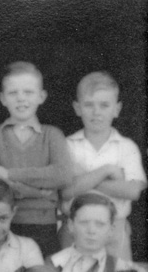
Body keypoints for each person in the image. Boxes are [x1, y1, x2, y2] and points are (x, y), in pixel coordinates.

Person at [0, 61, 72, 254]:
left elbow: (63, 175)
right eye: (13, 93)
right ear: (3, 98)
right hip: (2, 225)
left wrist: (9, 173)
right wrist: (39, 193)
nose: (21, 99)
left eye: (28, 92)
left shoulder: (52, 134)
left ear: (41, 96)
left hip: (44, 225)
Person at [61, 71, 146, 261]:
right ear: (77, 107)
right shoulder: (67, 145)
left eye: (104, 105)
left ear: (117, 109)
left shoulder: (126, 147)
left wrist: (85, 178)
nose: (96, 112)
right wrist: (106, 171)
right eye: (89, 105)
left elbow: (133, 191)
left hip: (115, 228)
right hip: (76, 229)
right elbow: (65, 191)